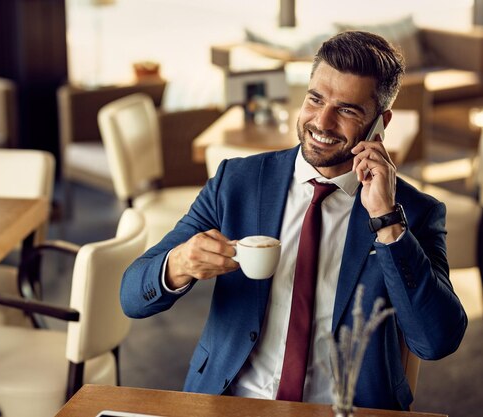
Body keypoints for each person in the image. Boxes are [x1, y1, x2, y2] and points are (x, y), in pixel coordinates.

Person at [120, 31, 467, 411]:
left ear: (379, 123)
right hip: (231, 402)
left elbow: (436, 342)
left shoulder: (413, 213)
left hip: (344, 409)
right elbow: (132, 296)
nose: (322, 121)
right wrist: (179, 264)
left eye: (347, 109)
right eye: (315, 99)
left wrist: (386, 220)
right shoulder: (235, 182)